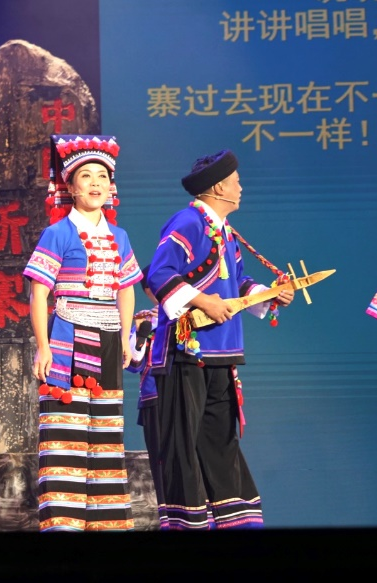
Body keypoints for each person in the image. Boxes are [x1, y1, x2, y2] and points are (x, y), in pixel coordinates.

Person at [145, 150, 293, 530]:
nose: (241, 187)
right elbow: (159, 274)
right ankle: (187, 524)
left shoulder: (226, 232)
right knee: (183, 447)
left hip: (221, 353)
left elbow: (237, 282)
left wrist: (269, 294)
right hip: (186, 352)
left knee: (220, 444)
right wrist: (202, 301)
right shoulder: (188, 222)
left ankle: (235, 522)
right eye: (236, 181)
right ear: (218, 187)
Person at [24, 134, 141, 532]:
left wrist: (125, 337)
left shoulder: (119, 237)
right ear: (70, 187)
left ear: (111, 186)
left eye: (102, 176)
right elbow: (39, 293)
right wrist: (43, 347)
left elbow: (126, 289)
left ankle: (106, 521)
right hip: (68, 338)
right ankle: (64, 522)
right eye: (86, 176)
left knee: (105, 431)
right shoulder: (57, 233)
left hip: (107, 338)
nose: (95, 183)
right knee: (66, 429)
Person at [125, 268, 166, 529]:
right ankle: (169, 516)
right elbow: (134, 363)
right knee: (160, 461)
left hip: (189, 394)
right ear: (149, 291)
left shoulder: (191, 315)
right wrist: (141, 337)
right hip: (155, 398)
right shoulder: (143, 319)